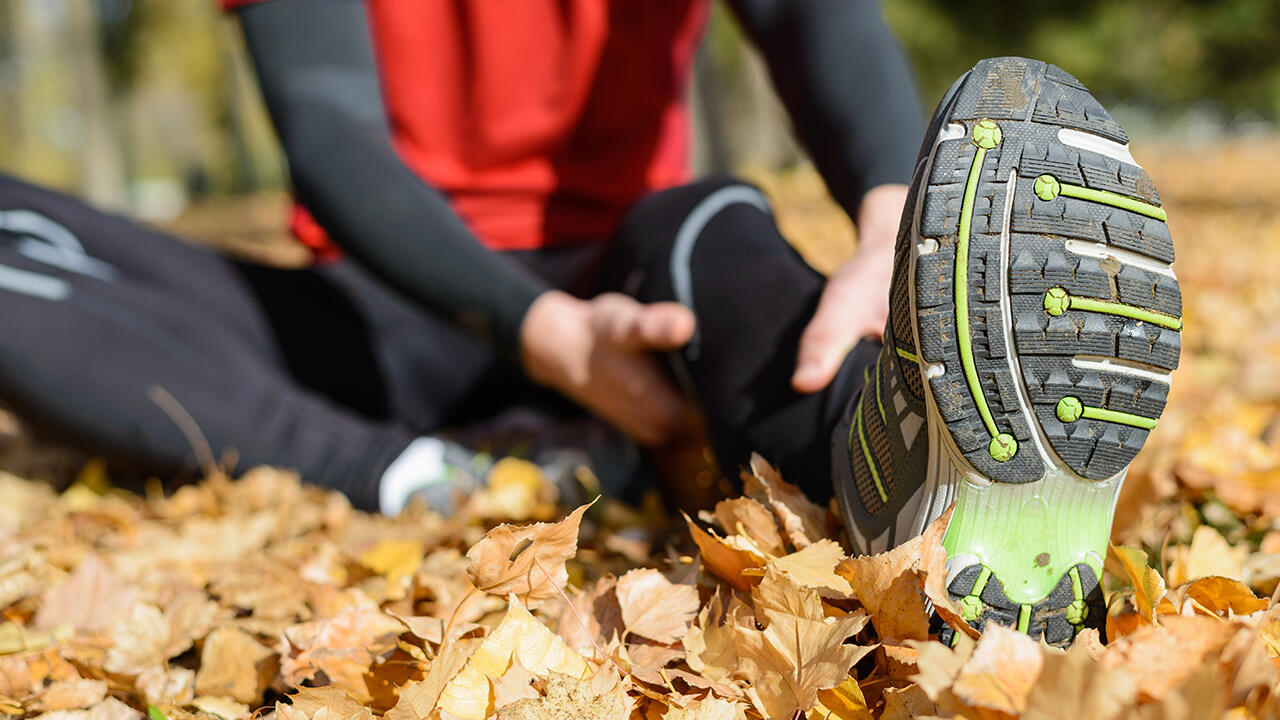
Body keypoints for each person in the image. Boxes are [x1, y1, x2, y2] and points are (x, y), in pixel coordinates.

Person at [0, 0, 1180, 647]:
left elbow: (813, 25)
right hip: (388, 307)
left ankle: (904, 491)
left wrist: (884, 227)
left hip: (638, 293)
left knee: (713, 219)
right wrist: (539, 332)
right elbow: (328, 135)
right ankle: (410, 472)